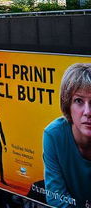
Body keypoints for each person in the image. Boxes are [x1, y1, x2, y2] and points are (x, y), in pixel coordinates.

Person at [43, 63, 91, 208]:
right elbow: (55, 198)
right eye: (79, 101)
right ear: (67, 105)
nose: (87, 112)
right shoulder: (53, 135)